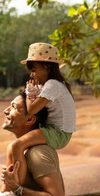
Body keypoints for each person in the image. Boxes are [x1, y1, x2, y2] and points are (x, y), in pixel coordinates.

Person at [5, 42, 75, 188]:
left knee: (17, 145)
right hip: (55, 131)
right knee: (17, 145)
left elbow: (31, 110)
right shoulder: (49, 85)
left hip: (59, 133)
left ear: (47, 67)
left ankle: (17, 184)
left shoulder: (53, 85)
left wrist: (30, 93)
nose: (32, 74)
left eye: (34, 70)